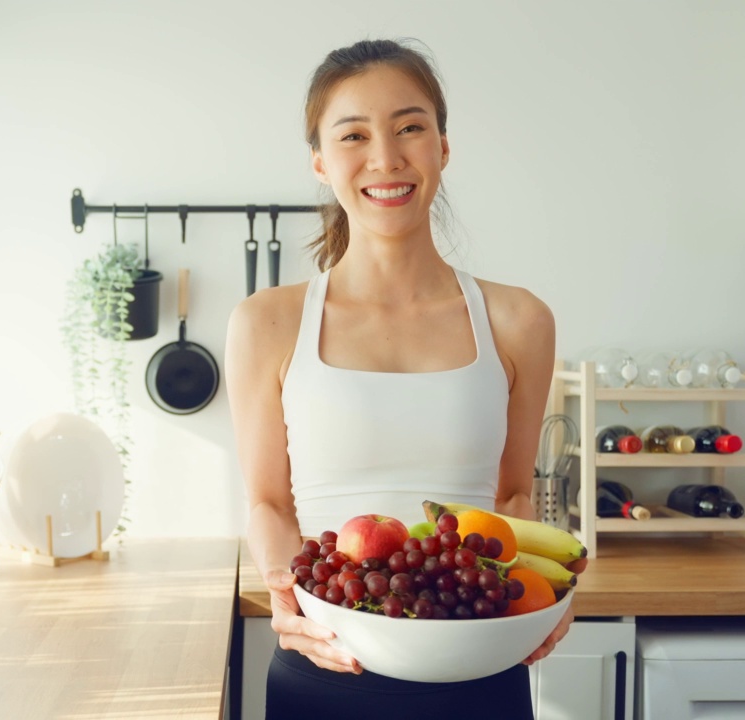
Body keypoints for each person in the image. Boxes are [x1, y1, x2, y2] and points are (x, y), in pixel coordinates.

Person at [226, 39, 585, 717]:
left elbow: (512, 495)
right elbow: (270, 506)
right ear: (320, 162)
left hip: (476, 662)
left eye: (410, 128)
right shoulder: (267, 323)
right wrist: (285, 588)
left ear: (443, 147)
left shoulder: (518, 320)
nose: (386, 158)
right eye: (354, 135)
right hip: (326, 663)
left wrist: (546, 589)